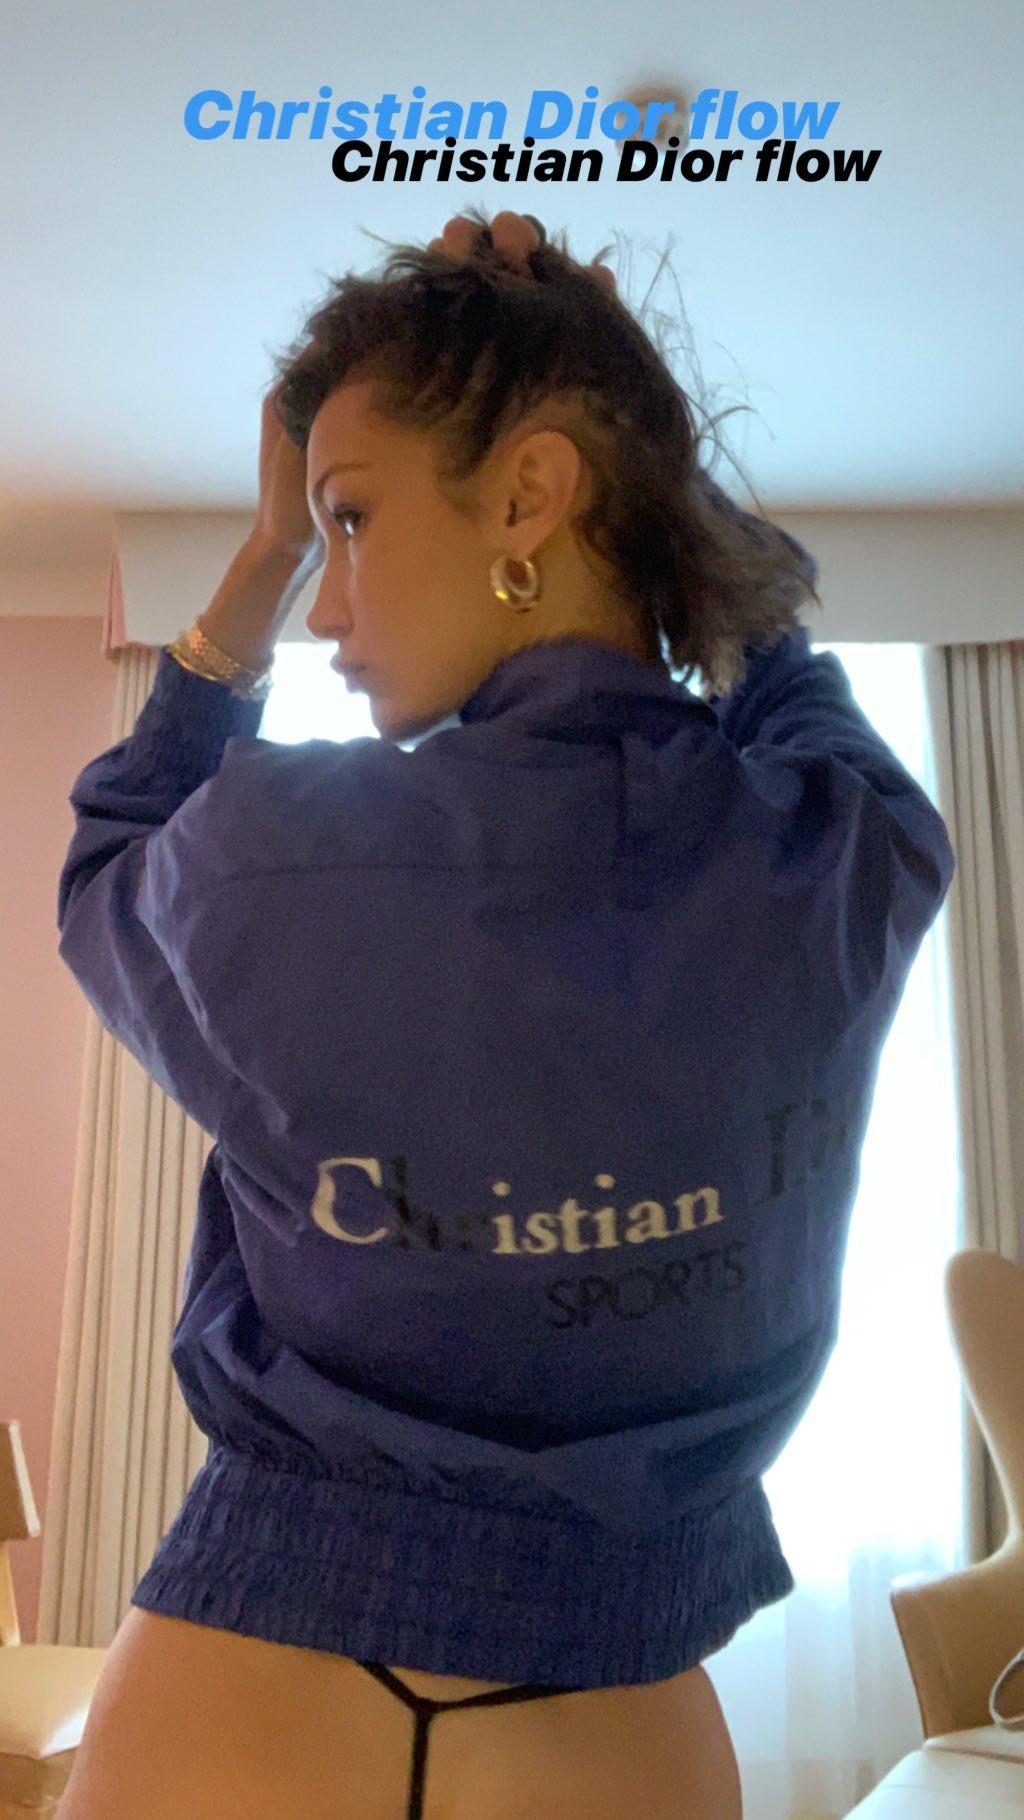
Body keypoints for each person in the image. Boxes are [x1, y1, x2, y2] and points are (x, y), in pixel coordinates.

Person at [54, 211, 955, 1818]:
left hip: (245, 1682)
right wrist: (645, 461)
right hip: (613, 1718)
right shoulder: (841, 853)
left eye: (348, 518)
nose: (328, 605)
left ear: (530, 494)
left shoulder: (264, 855)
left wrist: (251, 567)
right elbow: (779, 674)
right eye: (312, 543)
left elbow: (106, 864)